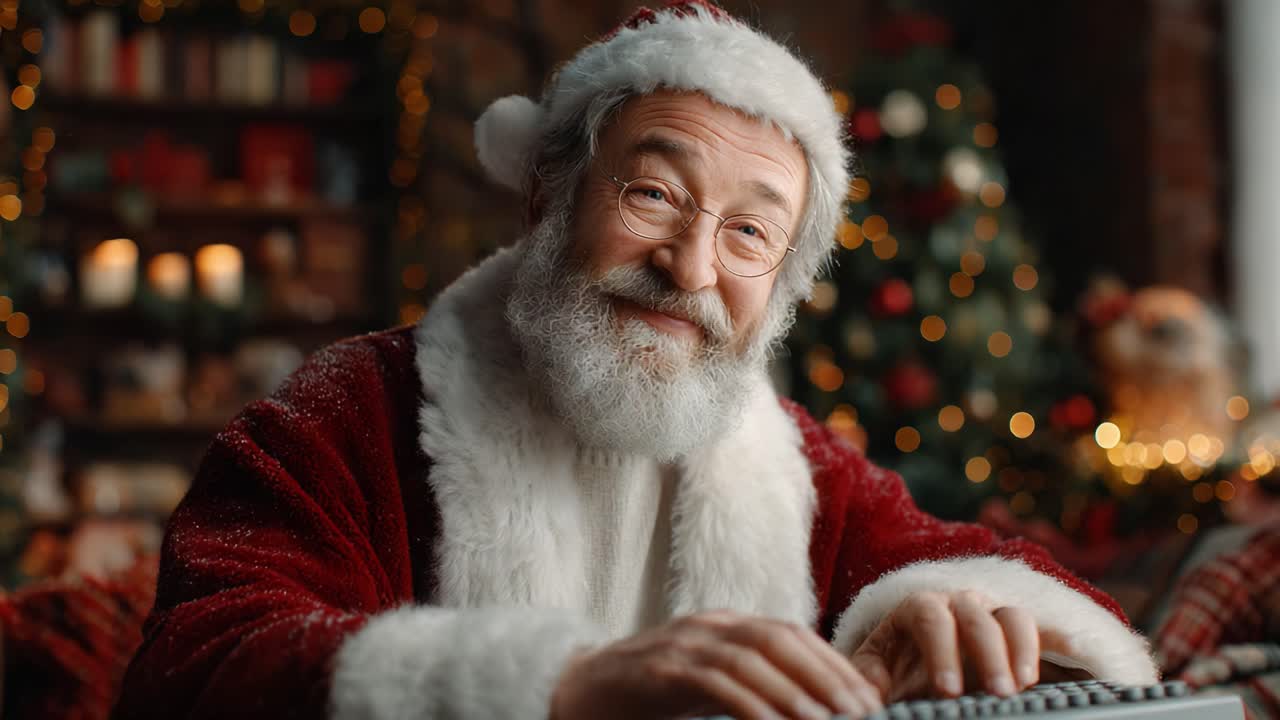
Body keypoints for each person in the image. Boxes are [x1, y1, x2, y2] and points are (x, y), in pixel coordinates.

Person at [114, 2, 1157, 718]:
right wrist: (553, 687)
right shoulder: (352, 412)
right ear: (547, 199)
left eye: (750, 235)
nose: (690, 268)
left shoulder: (793, 463)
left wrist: (956, 614)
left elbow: (1042, 595)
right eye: (652, 194)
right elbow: (189, 672)